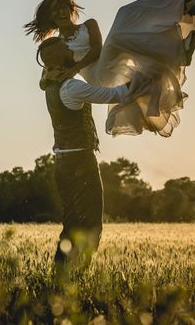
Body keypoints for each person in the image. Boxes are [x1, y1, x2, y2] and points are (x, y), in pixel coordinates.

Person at [26, 0, 195, 137]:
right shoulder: (58, 45)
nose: (62, 12)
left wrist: (73, 69)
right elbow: (43, 82)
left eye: (63, 7)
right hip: (98, 77)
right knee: (116, 38)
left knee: (124, 16)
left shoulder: (89, 24)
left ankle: (184, 9)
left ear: (70, 8)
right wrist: (51, 77)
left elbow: (96, 49)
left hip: (108, 61)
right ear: (51, 18)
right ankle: (180, 44)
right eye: (56, 11)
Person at [37, 36, 139, 279]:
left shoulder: (51, 84)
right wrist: (143, 81)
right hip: (80, 162)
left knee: (71, 224)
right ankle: (78, 279)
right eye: (67, 49)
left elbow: (44, 77)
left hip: (62, 163)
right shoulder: (71, 87)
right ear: (59, 59)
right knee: (92, 224)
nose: (73, 51)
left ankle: (59, 277)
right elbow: (112, 96)